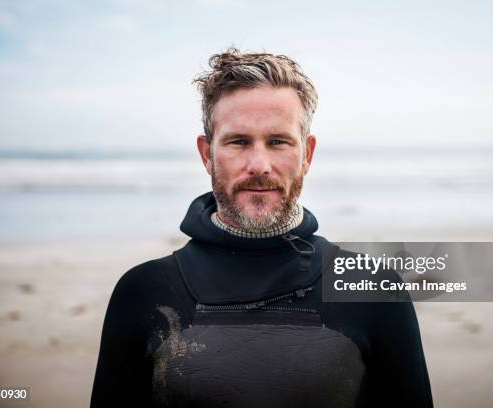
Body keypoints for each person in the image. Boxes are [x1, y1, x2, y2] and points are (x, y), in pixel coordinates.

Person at [90, 48, 433, 407]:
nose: (259, 165)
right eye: (238, 141)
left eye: (278, 142)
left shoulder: (374, 290)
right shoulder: (143, 291)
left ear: (307, 155)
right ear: (206, 153)